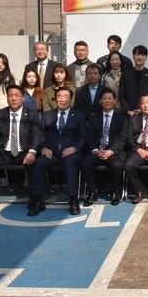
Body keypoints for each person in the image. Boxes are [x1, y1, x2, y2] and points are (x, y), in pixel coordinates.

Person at [0, 85, 43, 212]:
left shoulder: (31, 114)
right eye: (10, 95)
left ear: (23, 98)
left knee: (36, 162)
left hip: (23, 152)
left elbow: (37, 135)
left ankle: (34, 196)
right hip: (4, 153)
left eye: (17, 95)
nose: (13, 98)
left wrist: (32, 152)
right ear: (7, 98)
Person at [30, 87, 87, 216]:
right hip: (51, 151)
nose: (63, 99)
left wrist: (73, 148)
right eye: (59, 96)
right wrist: (44, 147)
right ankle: (38, 200)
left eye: (66, 96)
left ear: (70, 99)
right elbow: (40, 135)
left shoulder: (78, 115)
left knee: (69, 162)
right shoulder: (47, 115)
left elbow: (83, 137)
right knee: (39, 163)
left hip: (71, 151)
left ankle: (73, 199)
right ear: (55, 99)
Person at [80, 88, 128, 205]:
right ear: (100, 101)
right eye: (104, 99)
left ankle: (114, 191)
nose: (107, 101)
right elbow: (89, 137)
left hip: (113, 151)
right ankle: (92, 191)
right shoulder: (93, 117)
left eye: (110, 99)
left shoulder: (122, 118)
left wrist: (110, 151)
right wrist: (96, 151)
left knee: (117, 165)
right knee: (85, 164)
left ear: (115, 101)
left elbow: (122, 139)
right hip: (97, 150)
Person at [119, 45, 148, 117]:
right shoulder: (126, 74)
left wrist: (142, 109)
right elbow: (122, 95)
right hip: (128, 114)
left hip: (146, 113)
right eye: (137, 54)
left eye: (142, 55)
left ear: (146, 57)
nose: (139, 57)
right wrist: (127, 111)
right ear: (133, 56)